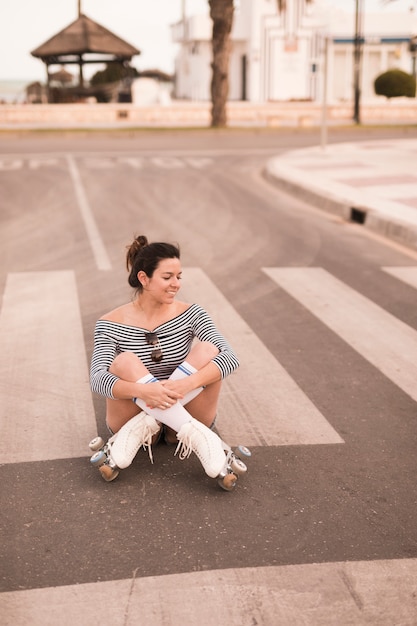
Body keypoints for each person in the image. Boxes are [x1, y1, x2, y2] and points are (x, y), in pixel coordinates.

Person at [90, 234, 240, 481]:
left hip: (184, 405)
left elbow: (231, 358)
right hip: (131, 413)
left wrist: (185, 384)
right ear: (144, 278)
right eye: (167, 277)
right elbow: (97, 379)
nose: (176, 284)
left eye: (178, 277)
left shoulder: (191, 313)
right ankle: (200, 439)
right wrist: (147, 392)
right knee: (124, 361)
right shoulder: (109, 323)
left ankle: (167, 426)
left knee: (208, 350)